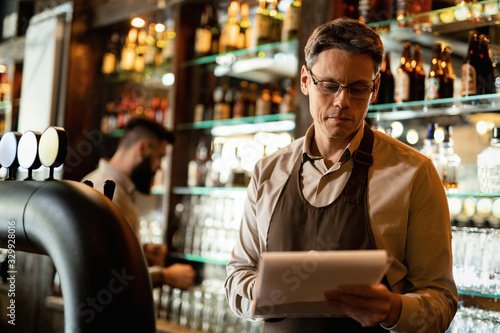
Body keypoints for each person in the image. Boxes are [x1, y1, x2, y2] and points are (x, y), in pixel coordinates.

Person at [225, 17, 458, 332]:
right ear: (306, 81)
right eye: (330, 85)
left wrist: (394, 309)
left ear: (374, 88)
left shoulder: (414, 174)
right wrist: (267, 292)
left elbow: (442, 300)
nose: (342, 102)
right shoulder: (268, 170)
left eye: (358, 88)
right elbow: (238, 274)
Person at [83, 116, 195, 290]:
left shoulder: (113, 187)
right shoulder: (107, 191)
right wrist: (165, 277)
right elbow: (102, 278)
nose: (159, 167)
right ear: (142, 149)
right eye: (160, 157)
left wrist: (140, 251)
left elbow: (108, 253)